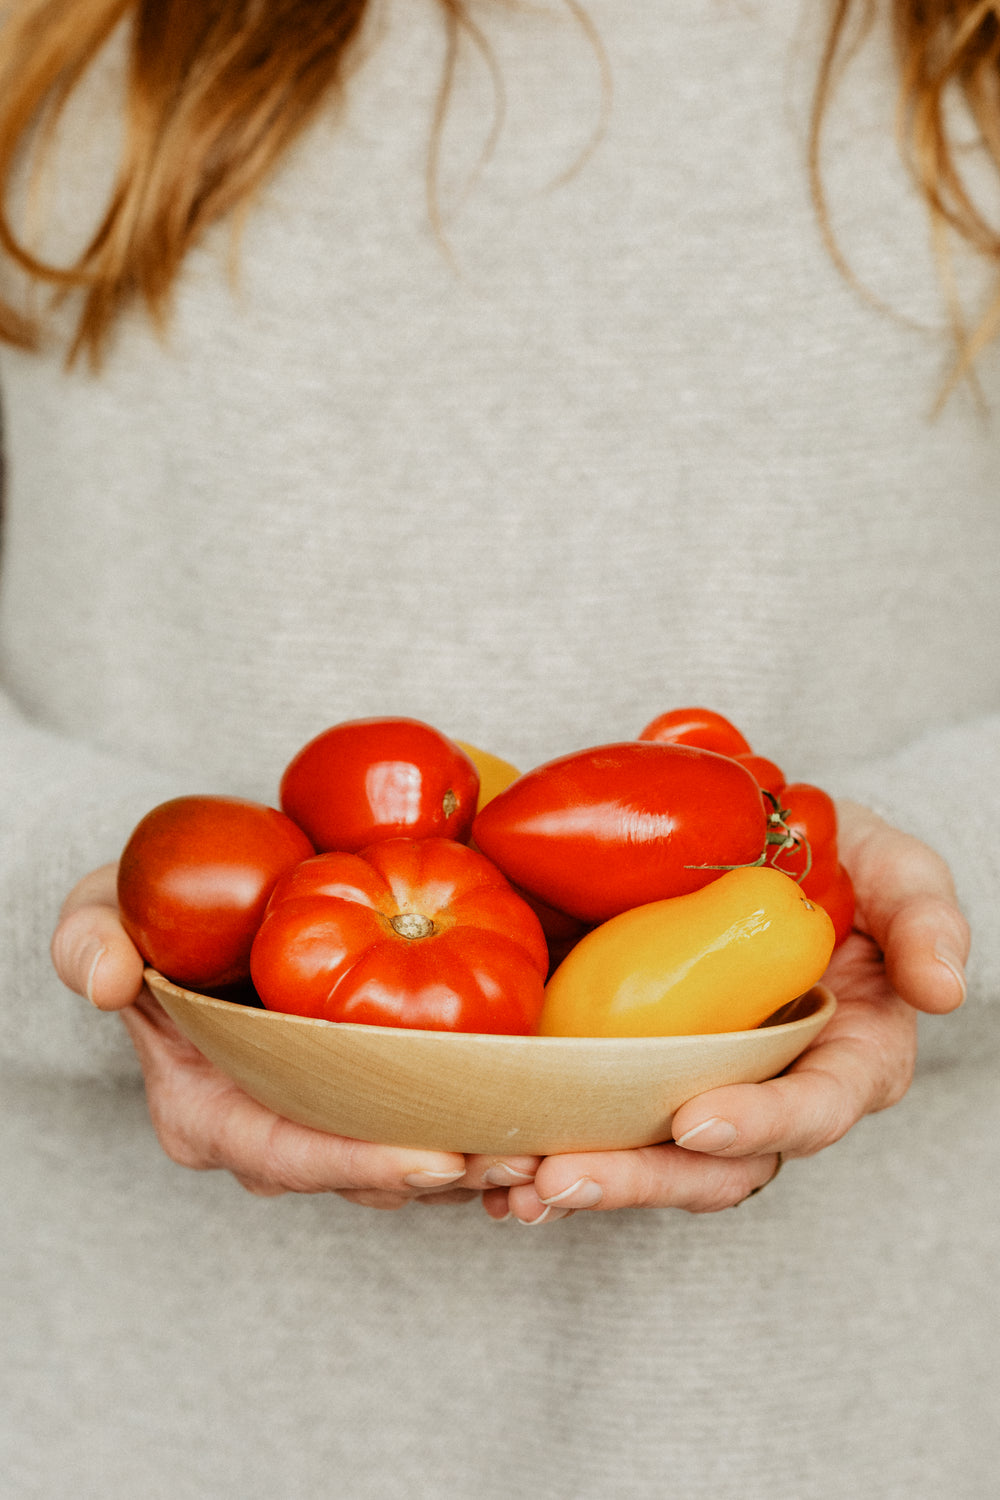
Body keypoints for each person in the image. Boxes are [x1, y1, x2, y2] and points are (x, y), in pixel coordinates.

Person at [1, 1, 996, 1495]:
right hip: (145, 1423)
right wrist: (73, 901)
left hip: (848, 1422)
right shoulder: (47, 38)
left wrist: (929, 881)